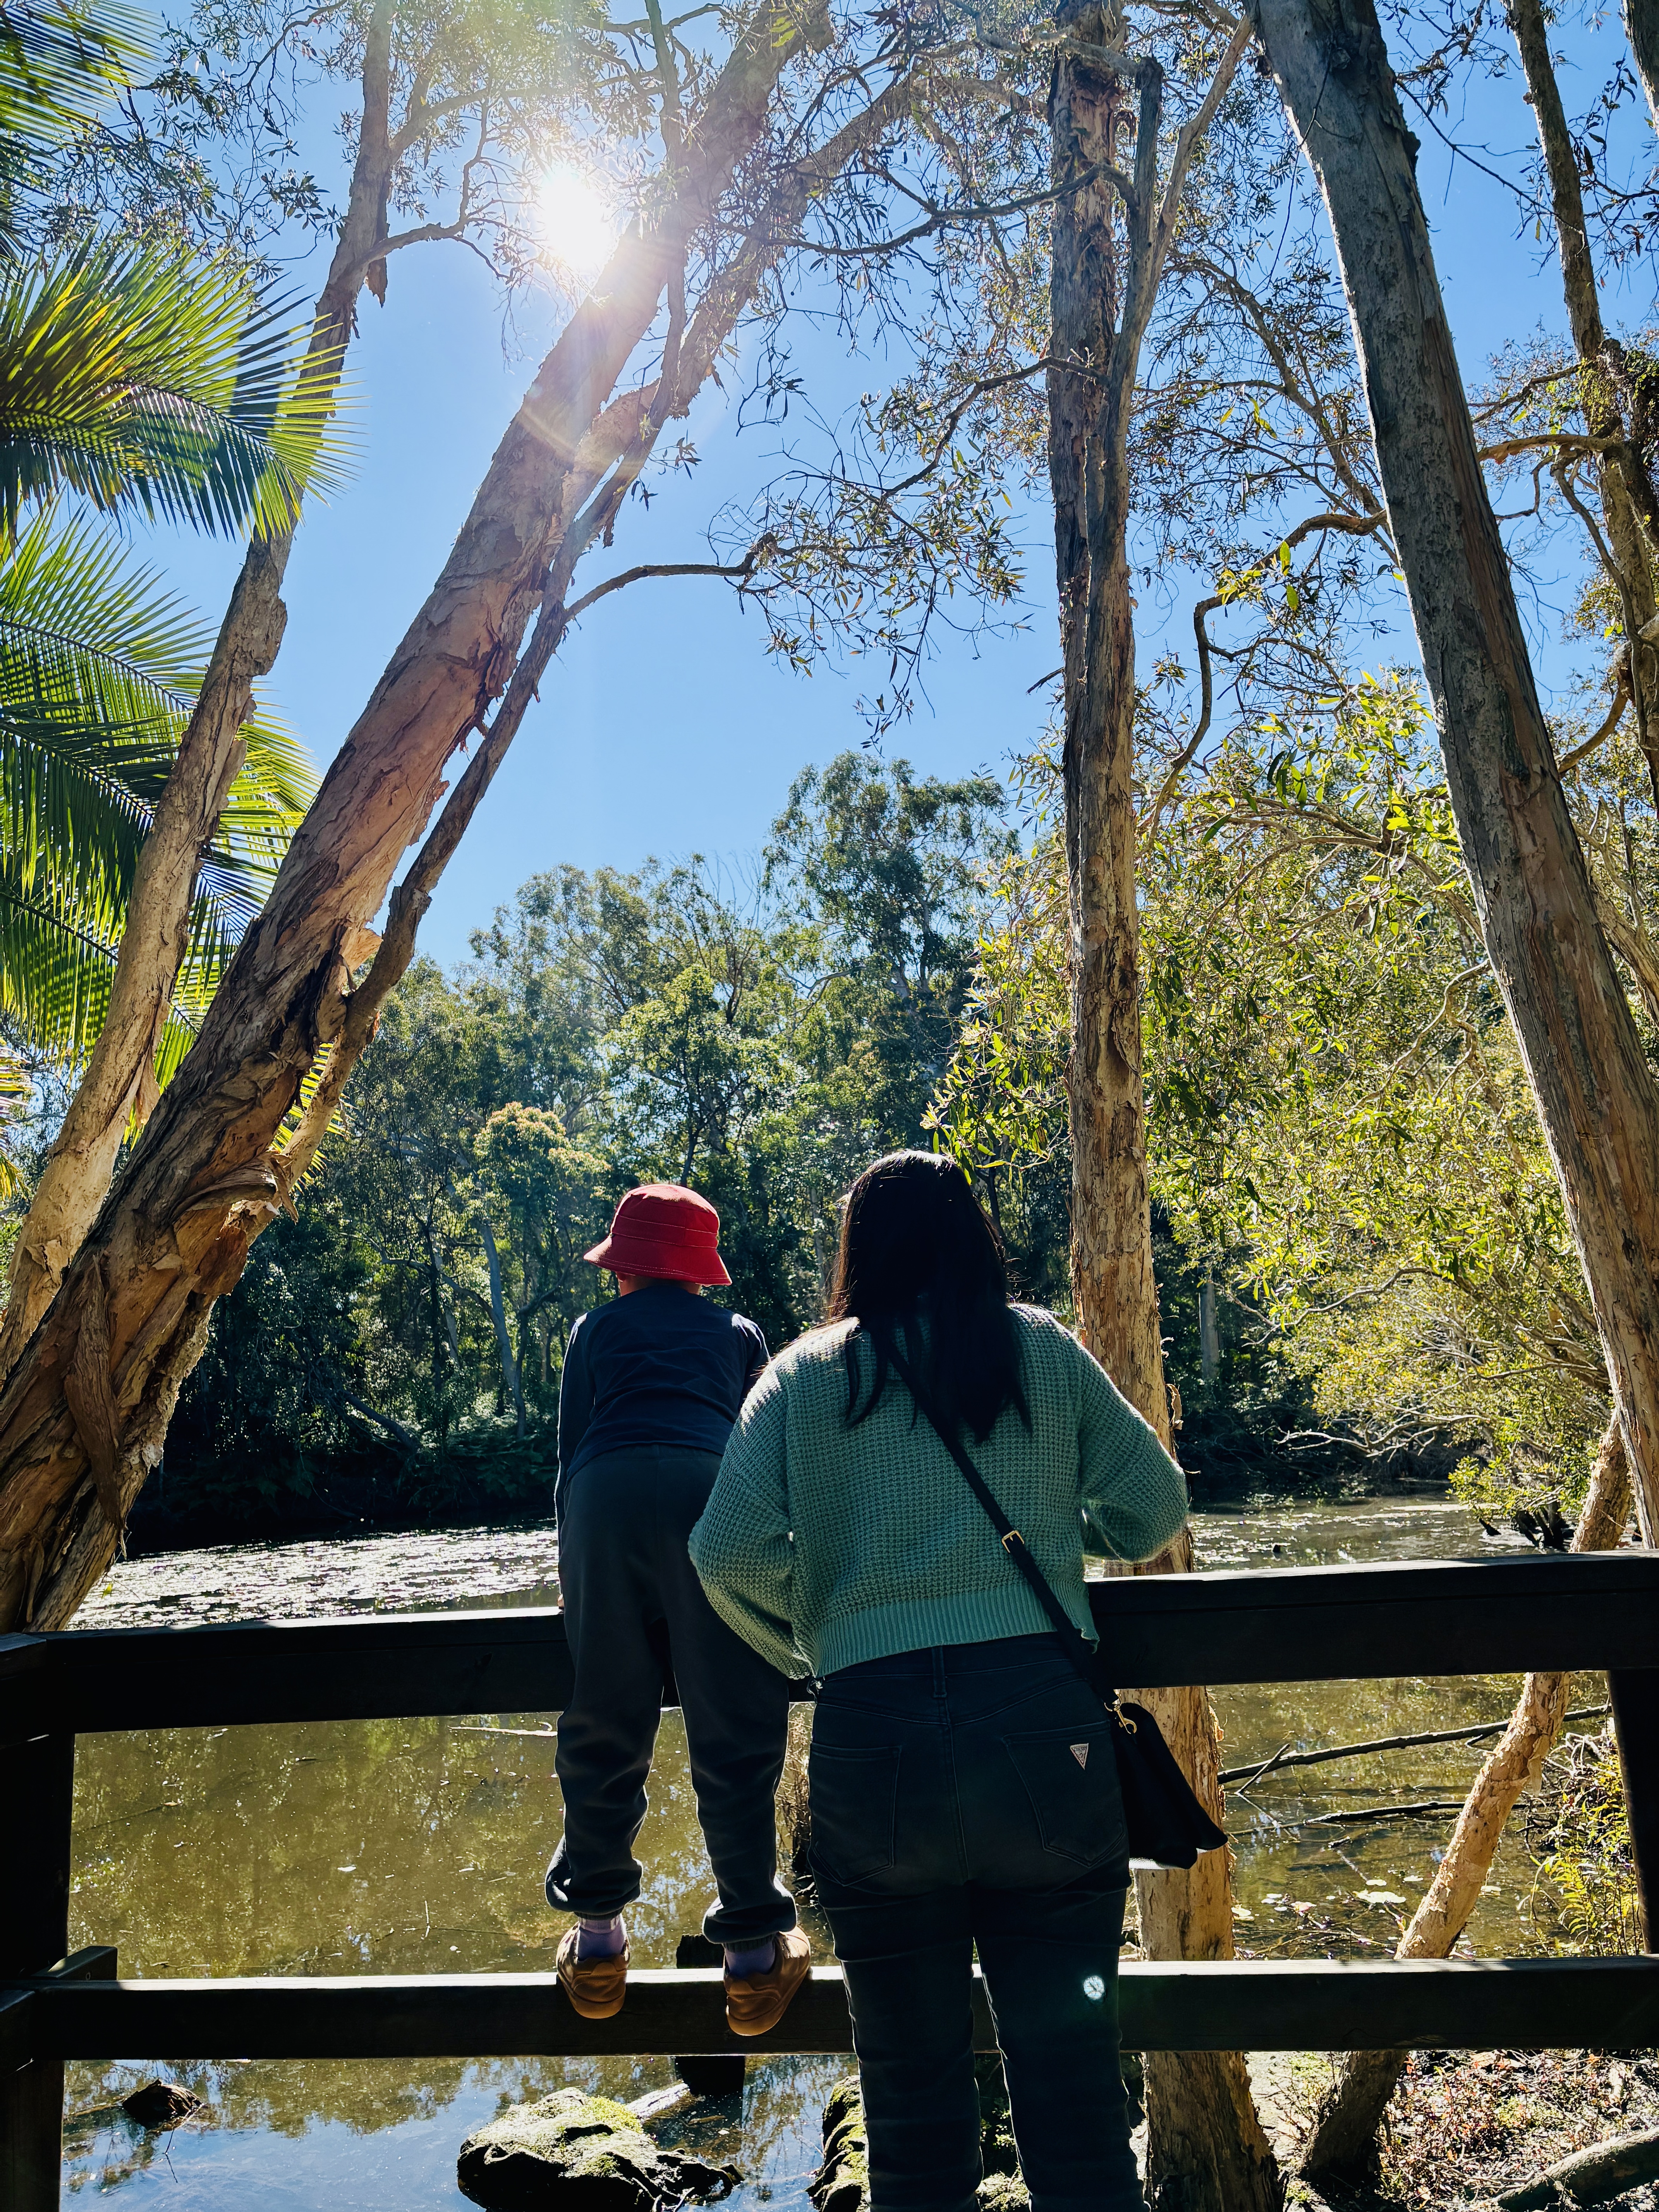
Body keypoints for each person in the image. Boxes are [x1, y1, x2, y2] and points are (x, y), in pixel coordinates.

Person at [688, 1151, 1189, 2212]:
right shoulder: (1039, 1351)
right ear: (975, 1238)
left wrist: (812, 1639)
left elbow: (723, 1553)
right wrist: (1063, 1535)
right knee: (1077, 2111)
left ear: (856, 1250)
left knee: (910, 2121)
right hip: (1041, 1744)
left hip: (875, 1749)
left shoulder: (802, 1374)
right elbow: (1152, 1507)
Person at [547, 1181, 811, 2034]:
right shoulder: (738, 1334)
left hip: (605, 1499)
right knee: (733, 1722)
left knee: (606, 1712)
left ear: (622, 1270)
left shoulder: (592, 1332)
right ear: (702, 1273)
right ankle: (752, 1958)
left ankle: (597, 1946)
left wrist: (576, 1574)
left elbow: (569, 1457)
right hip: (711, 1494)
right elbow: (765, 1456)